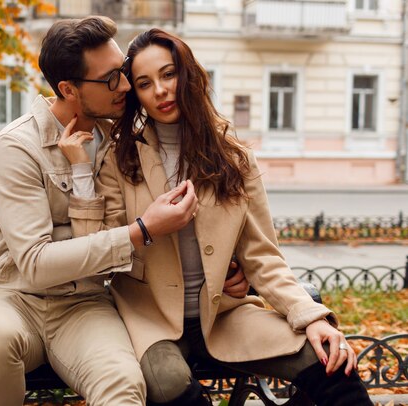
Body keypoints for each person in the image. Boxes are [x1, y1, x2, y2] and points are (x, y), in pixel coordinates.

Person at [65, 28, 373, 406]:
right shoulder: (120, 156)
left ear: (188, 75)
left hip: (226, 315)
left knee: (333, 366)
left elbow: (264, 256)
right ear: (137, 95)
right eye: (144, 83)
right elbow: (101, 250)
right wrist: (131, 214)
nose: (160, 90)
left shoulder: (235, 158)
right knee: (168, 386)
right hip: (152, 323)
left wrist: (312, 317)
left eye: (168, 74)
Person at [0, 17, 248, 406]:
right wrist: (140, 230)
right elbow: (36, 263)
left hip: (85, 305)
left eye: (124, 73)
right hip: (14, 299)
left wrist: (227, 270)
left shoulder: (120, 140)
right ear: (68, 89)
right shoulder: (17, 148)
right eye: (112, 79)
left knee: (124, 386)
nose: (126, 86)